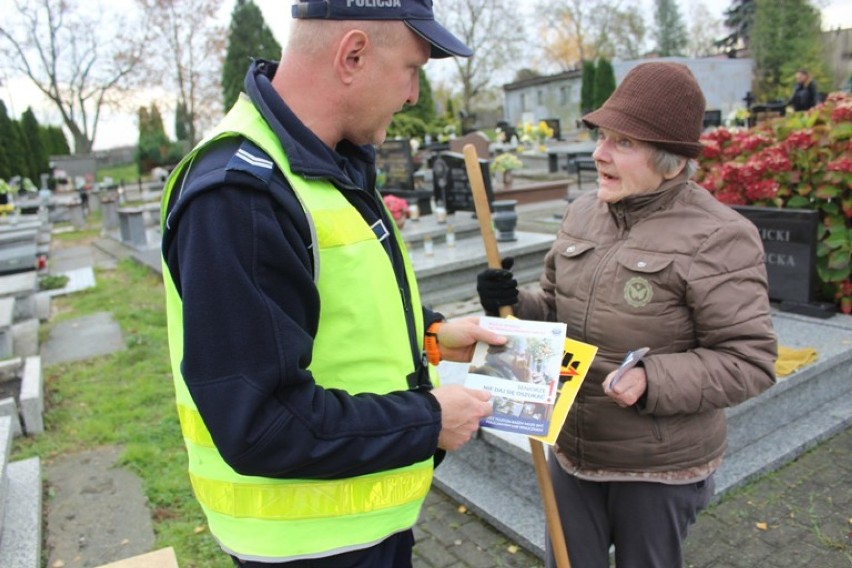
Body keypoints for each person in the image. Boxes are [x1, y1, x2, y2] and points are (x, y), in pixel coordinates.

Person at [159, 1, 506, 566]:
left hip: (361, 530)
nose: (414, 95)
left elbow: (329, 312)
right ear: (353, 55)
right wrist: (431, 419)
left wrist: (434, 335)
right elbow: (261, 420)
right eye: (413, 70)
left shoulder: (320, 164)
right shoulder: (240, 197)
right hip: (309, 549)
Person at [477, 62, 778, 568]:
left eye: (623, 142)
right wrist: (511, 302)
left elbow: (750, 361)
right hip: (572, 451)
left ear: (671, 161)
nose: (599, 154)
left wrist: (652, 379)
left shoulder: (719, 236)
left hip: (656, 471)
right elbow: (555, 306)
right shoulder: (582, 213)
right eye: (601, 137)